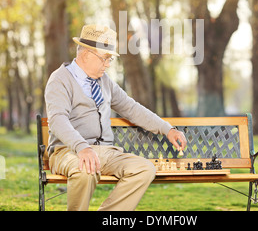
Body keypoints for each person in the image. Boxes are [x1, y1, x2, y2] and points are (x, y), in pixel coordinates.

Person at [45, 24, 187, 211]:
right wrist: (82, 148)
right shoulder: (60, 80)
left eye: (110, 59)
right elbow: (57, 120)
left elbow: (131, 108)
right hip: (69, 151)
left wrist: (167, 129)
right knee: (85, 170)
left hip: (106, 152)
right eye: (105, 59)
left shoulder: (105, 82)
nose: (108, 64)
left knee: (144, 169)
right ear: (86, 55)